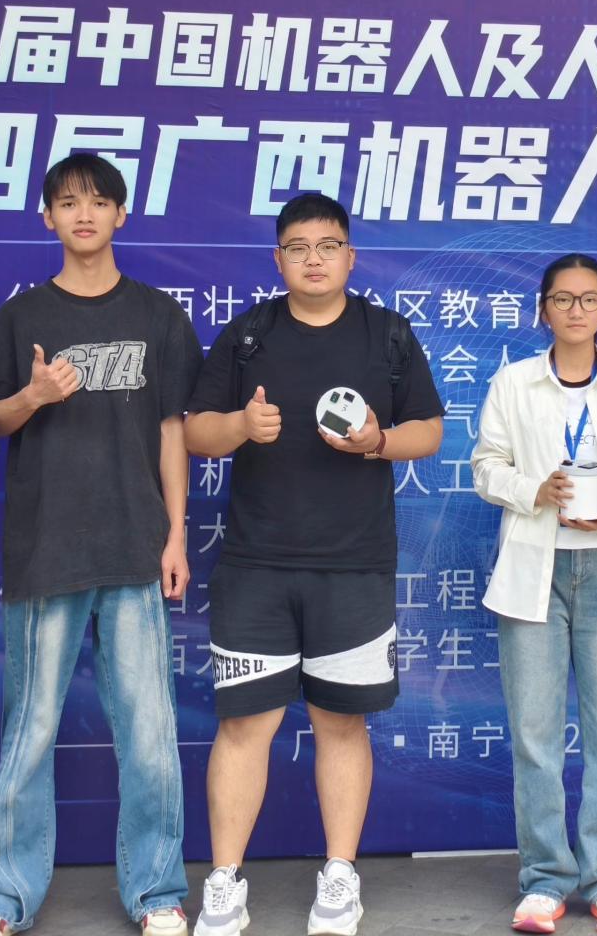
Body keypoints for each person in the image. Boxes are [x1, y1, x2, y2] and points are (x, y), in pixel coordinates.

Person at [183, 192, 445, 936]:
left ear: (350, 257)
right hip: (257, 566)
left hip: (353, 566)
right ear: (279, 259)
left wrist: (377, 442)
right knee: (245, 726)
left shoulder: (386, 334)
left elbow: (429, 430)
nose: (314, 260)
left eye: (328, 246)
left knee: (341, 725)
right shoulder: (248, 335)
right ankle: (225, 882)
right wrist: (241, 425)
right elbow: (196, 431)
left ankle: (340, 874)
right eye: (298, 248)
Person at [0, 154, 201, 936]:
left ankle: (156, 893)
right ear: (48, 217)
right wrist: (32, 396)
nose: (85, 214)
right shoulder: (22, 318)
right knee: (28, 734)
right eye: (68, 202)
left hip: (135, 547)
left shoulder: (158, 316)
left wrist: (176, 535)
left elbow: (173, 432)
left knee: (150, 737)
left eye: (99, 201)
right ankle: (5, 897)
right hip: (46, 549)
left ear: (122, 214)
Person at [471, 254, 597, 935]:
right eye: (563, 299)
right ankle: (545, 880)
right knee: (535, 735)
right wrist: (533, 490)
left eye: (589, 300)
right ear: (544, 309)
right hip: (533, 569)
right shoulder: (514, 382)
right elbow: (485, 466)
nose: (576, 310)